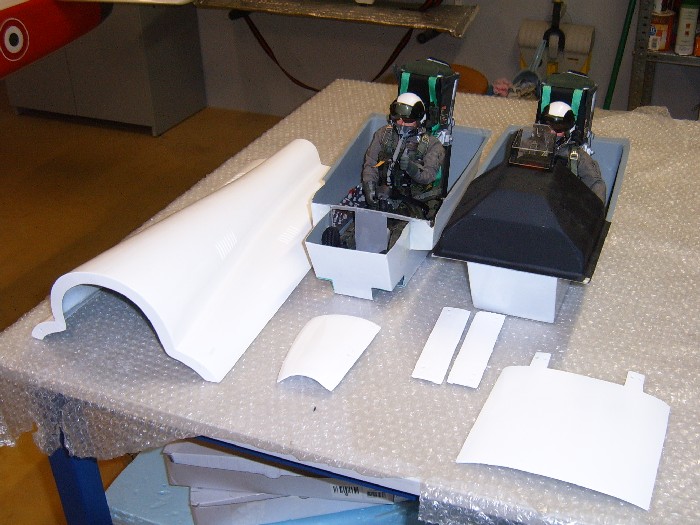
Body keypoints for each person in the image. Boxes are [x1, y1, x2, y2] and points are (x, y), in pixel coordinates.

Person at [361, 92, 445, 219]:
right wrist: (369, 186)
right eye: (397, 118)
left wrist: (411, 168)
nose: (401, 123)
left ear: (419, 120)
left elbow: (429, 176)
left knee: (404, 230)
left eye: (408, 120)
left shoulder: (432, 145)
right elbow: (371, 163)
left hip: (415, 201)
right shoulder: (383, 135)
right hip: (384, 193)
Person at [539, 100, 607, 203]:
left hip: (563, 204)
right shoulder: (530, 147)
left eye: (557, 129)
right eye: (548, 126)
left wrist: (595, 208)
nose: (552, 132)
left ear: (568, 130)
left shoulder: (578, 157)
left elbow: (596, 184)